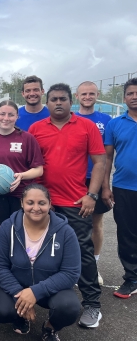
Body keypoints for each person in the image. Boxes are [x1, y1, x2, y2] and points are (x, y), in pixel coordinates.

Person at [29, 83, 105, 329]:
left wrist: (92, 195)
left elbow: (99, 161)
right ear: (47, 102)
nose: (58, 103)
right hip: (43, 204)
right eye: (53, 99)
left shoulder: (87, 127)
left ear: (70, 102)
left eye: (63, 99)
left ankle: (92, 303)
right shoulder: (36, 128)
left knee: (83, 251)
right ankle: (40, 297)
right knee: (39, 251)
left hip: (75, 202)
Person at [0, 184, 81, 341]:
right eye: (30, 202)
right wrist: (21, 296)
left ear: (50, 203)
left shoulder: (65, 232)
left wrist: (35, 292)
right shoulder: (8, 227)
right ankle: (20, 315)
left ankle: (50, 327)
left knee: (69, 308)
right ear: (22, 203)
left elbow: (71, 272)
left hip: (49, 288)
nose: (36, 208)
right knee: (2, 311)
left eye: (42, 203)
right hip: (17, 285)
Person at [0, 100, 44, 239]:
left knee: (21, 231)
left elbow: (38, 170)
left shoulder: (27, 139)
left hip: (21, 193)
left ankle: (20, 260)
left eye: (11, 115)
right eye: (2, 114)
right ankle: (1, 259)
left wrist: (20, 176)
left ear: (17, 117)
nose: (6, 118)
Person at [102, 77, 137, 299]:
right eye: (131, 93)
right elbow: (106, 158)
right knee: (127, 235)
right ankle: (131, 278)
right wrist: (105, 186)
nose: (135, 97)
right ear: (124, 98)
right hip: (124, 187)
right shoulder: (115, 124)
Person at [75, 81, 112, 286]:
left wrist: (105, 186)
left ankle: (94, 265)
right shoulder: (70, 118)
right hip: (74, 178)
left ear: (97, 95)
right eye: (84, 94)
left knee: (96, 223)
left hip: (95, 179)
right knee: (71, 223)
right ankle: (70, 263)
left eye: (91, 93)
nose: (87, 97)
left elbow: (106, 156)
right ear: (76, 96)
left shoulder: (106, 120)